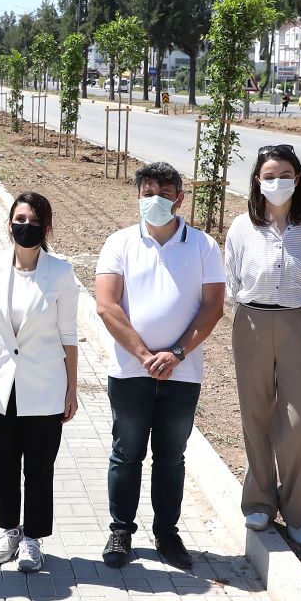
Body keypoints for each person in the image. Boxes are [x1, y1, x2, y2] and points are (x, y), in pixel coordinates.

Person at [95, 162, 226, 573]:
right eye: (147, 192)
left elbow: (213, 306)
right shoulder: (119, 243)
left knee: (171, 456)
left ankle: (167, 533)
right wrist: (143, 354)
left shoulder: (203, 245)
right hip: (131, 371)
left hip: (182, 373)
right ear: (137, 196)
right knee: (126, 452)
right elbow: (106, 305)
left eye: (164, 193)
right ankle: (121, 530)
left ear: (180, 199)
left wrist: (176, 354)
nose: (155, 200)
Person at [0, 191, 79, 573]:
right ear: (9, 222)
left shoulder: (61, 272)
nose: (24, 226)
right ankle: (8, 530)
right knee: (3, 464)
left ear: (46, 228)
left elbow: (68, 336)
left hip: (44, 386)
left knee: (40, 467)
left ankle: (33, 539)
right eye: (19, 218)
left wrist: (71, 389)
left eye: (33, 221)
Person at [224, 144, 301, 545]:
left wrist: (296, 316)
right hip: (250, 321)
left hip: (295, 325)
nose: (277, 183)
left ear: (298, 178)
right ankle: (258, 502)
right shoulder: (241, 227)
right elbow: (232, 283)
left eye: (284, 175)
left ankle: (296, 509)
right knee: (255, 413)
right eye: (269, 176)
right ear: (257, 180)